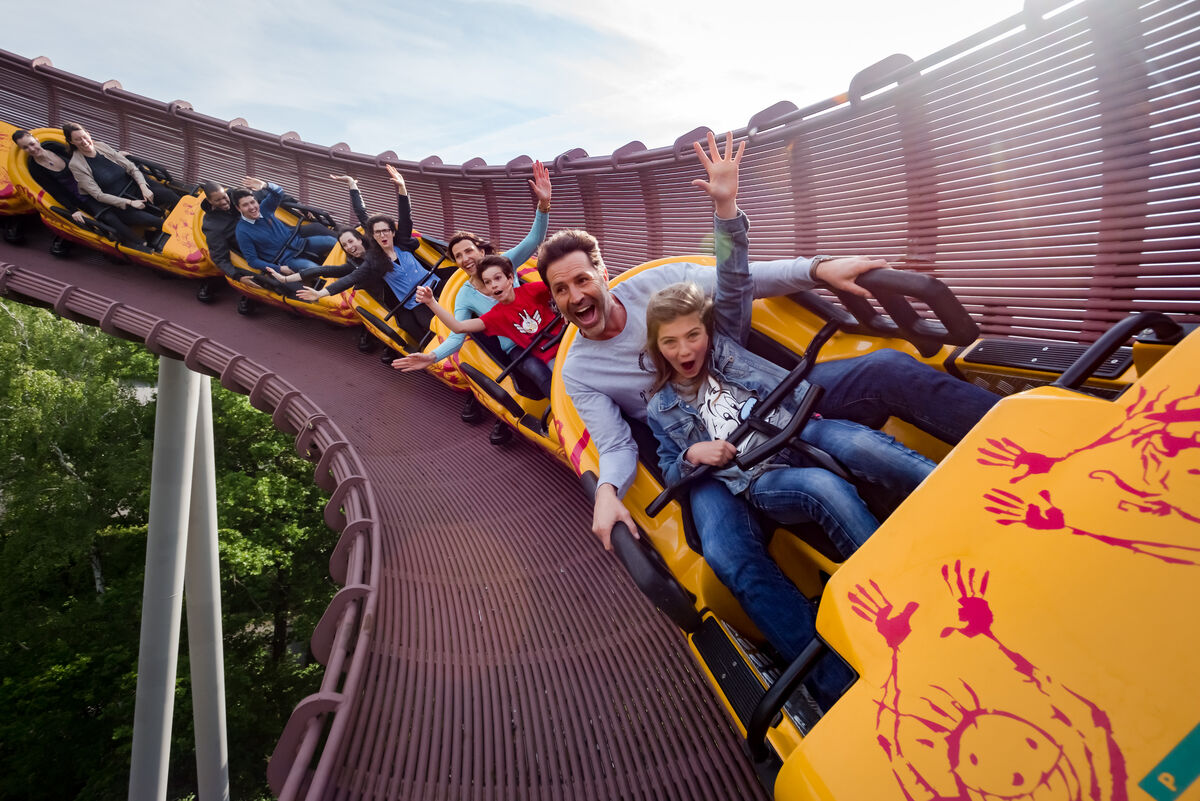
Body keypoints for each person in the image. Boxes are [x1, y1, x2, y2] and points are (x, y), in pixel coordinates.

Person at [544, 131, 1001, 693]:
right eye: (560, 290)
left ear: (602, 272)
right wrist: (608, 492)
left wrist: (813, 265)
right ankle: (842, 682)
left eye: (581, 279)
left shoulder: (660, 290)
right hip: (707, 449)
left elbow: (738, 284)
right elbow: (617, 443)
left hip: (765, 395)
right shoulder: (584, 371)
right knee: (727, 553)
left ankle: (1012, 449)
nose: (575, 296)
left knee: (887, 369)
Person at [391, 160, 553, 374]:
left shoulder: (504, 263)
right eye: (458, 256)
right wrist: (432, 356)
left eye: (468, 251)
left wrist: (544, 204)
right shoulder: (465, 295)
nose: (465, 258)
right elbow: (457, 334)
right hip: (517, 346)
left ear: (482, 252)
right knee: (536, 370)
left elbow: (534, 240)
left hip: (541, 327)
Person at [415, 255, 563, 397]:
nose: (493, 285)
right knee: (557, 378)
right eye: (488, 282)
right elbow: (458, 327)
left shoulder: (531, 291)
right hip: (549, 356)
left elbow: (561, 287)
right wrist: (431, 302)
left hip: (564, 340)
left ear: (510, 278)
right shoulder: (496, 315)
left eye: (497, 278)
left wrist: (565, 311)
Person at [63, 122, 182, 246]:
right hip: (119, 203)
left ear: (88, 134)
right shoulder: (76, 165)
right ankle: (181, 240)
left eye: (84, 136)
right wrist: (130, 202)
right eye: (78, 139)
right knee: (156, 221)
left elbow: (131, 168)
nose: (84, 141)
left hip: (135, 188)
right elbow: (98, 195)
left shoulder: (101, 146)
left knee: (169, 195)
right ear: (71, 142)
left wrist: (143, 187)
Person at [231, 178, 337, 279]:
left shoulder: (264, 209)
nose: (252, 207)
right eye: (245, 205)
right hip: (287, 259)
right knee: (316, 269)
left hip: (299, 243)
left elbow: (278, 192)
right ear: (238, 208)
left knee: (331, 241)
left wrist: (265, 185)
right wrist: (279, 268)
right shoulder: (242, 231)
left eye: (252, 202)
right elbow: (252, 261)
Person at [11, 129, 90, 226]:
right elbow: (55, 191)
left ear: (37, 140)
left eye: (32, 144)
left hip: (95, 183)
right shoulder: (35, 169)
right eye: (25, 147)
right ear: (22, 149)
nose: (31, 149)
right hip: (83, 199)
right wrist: (73, 210)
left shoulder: (53, 146)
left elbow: (80, 156)